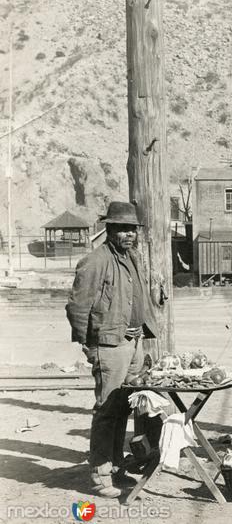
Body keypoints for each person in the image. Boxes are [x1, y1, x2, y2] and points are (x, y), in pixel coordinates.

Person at [66, 201, 160, 498]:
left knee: (122, 409)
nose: (129, 234)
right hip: (109, 345)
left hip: (132, 343)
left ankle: (116, 467)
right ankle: (100, 476)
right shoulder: (95, 261)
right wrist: (89, 345)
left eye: (132, 229)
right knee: (107, 412)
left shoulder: (131, 257)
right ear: (109, 229)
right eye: (122, 229)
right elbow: (77, 307)